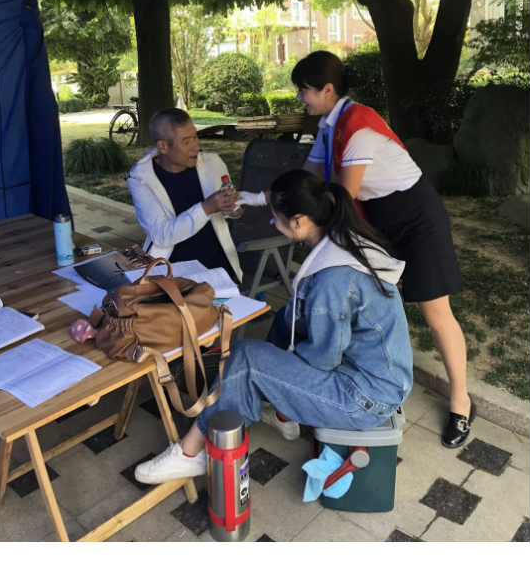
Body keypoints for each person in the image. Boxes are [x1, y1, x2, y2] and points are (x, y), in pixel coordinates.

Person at [134, 169, 413, 485]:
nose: (272, 222)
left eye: (276, 218)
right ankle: (281, 414)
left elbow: (323, 358)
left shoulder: (333, 280)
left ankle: (190, 453)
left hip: (366, 399)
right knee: (286, 319)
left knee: (247, 357)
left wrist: (273, 372)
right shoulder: (344, 240)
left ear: (298, 221)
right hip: (378, 375)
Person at [287, 51, 473, 448]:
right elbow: (308, 177)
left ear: (327, 89)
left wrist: (301, 216)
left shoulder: (357, 126)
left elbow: (341, 195)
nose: (300, 97)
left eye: (303, 90)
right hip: (377, 217)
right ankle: (371, 370)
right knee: (372, 295)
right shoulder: (328, 126)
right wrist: (270, 199)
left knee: (435, 311)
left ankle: (461, 402)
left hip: (416, 217)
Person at [127, 108, 243, 282]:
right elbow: (161, 235)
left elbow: (229, 211)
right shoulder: (141, 179)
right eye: (186, 141)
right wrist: (205, 208)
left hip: (218, 265)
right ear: (163, 146)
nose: (196, 146)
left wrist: (234, 208)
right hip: (171, 268)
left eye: (195, 137)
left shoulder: (212, 163)